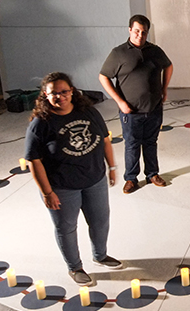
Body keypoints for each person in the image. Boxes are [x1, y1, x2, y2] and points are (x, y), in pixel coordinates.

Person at [25, 72, 122, 286]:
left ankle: (100, 255)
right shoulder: (41, 124)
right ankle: (75, 267)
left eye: (64, 91)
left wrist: (112, 167)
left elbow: (105, 140)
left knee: (100, 221)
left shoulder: (88, 112)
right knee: (66, 228)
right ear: (45, 95)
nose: (60, 97)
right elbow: (34, 161)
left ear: (72, 91)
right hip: (62, 187)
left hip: (94, 180)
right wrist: (47, 192)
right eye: (54, 93)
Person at [99, 14, 173, 194]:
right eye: (137, 31)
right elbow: (104, 77)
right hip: (130, 110)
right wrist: (120, 102)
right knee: (132, 144)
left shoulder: (155, 51)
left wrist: (164, 89)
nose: (140, 35)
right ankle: (131, 178)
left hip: (153, 107)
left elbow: (168, 66)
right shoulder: (119, 53)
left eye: (144, 32)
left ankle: (152, 174)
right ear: (130, 30)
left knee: (151, 142)